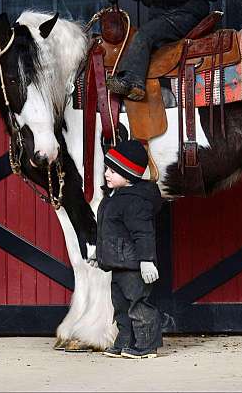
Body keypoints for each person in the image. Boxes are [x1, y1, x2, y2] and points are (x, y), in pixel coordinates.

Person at [88, 139, 163, 359]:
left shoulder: (135, 201)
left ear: (128, 174)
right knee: (121, 307)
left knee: (138, 306)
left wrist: (147, 260)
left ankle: (147, 345)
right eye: (107, 169)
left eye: (113, 171)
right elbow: (109, 232)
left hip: (133, 267)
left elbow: (143, 233)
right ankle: (125, 341)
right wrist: (99, 253)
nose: (106, 174)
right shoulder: (114, 198)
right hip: (118, 265)